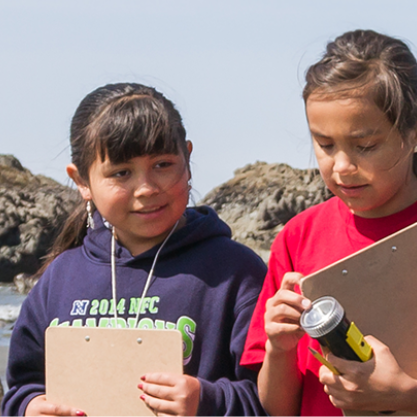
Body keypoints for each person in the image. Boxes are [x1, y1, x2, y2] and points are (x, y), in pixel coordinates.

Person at [241, 30, 417, 416]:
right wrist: (279, 346)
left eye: (366, 146)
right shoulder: (296, 238)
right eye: (325, 145)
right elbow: (276, 407)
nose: (341, 166)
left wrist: (405, 395)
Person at [2, 83, 267, 417]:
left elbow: (273, 399)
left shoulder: (236, 272)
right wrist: (30, 408)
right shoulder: (60, 277)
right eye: (121, 173)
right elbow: (23, 387)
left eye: (162, 165)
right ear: (82, 181)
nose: (146, 188)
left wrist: (207, 400)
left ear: (187, 157)